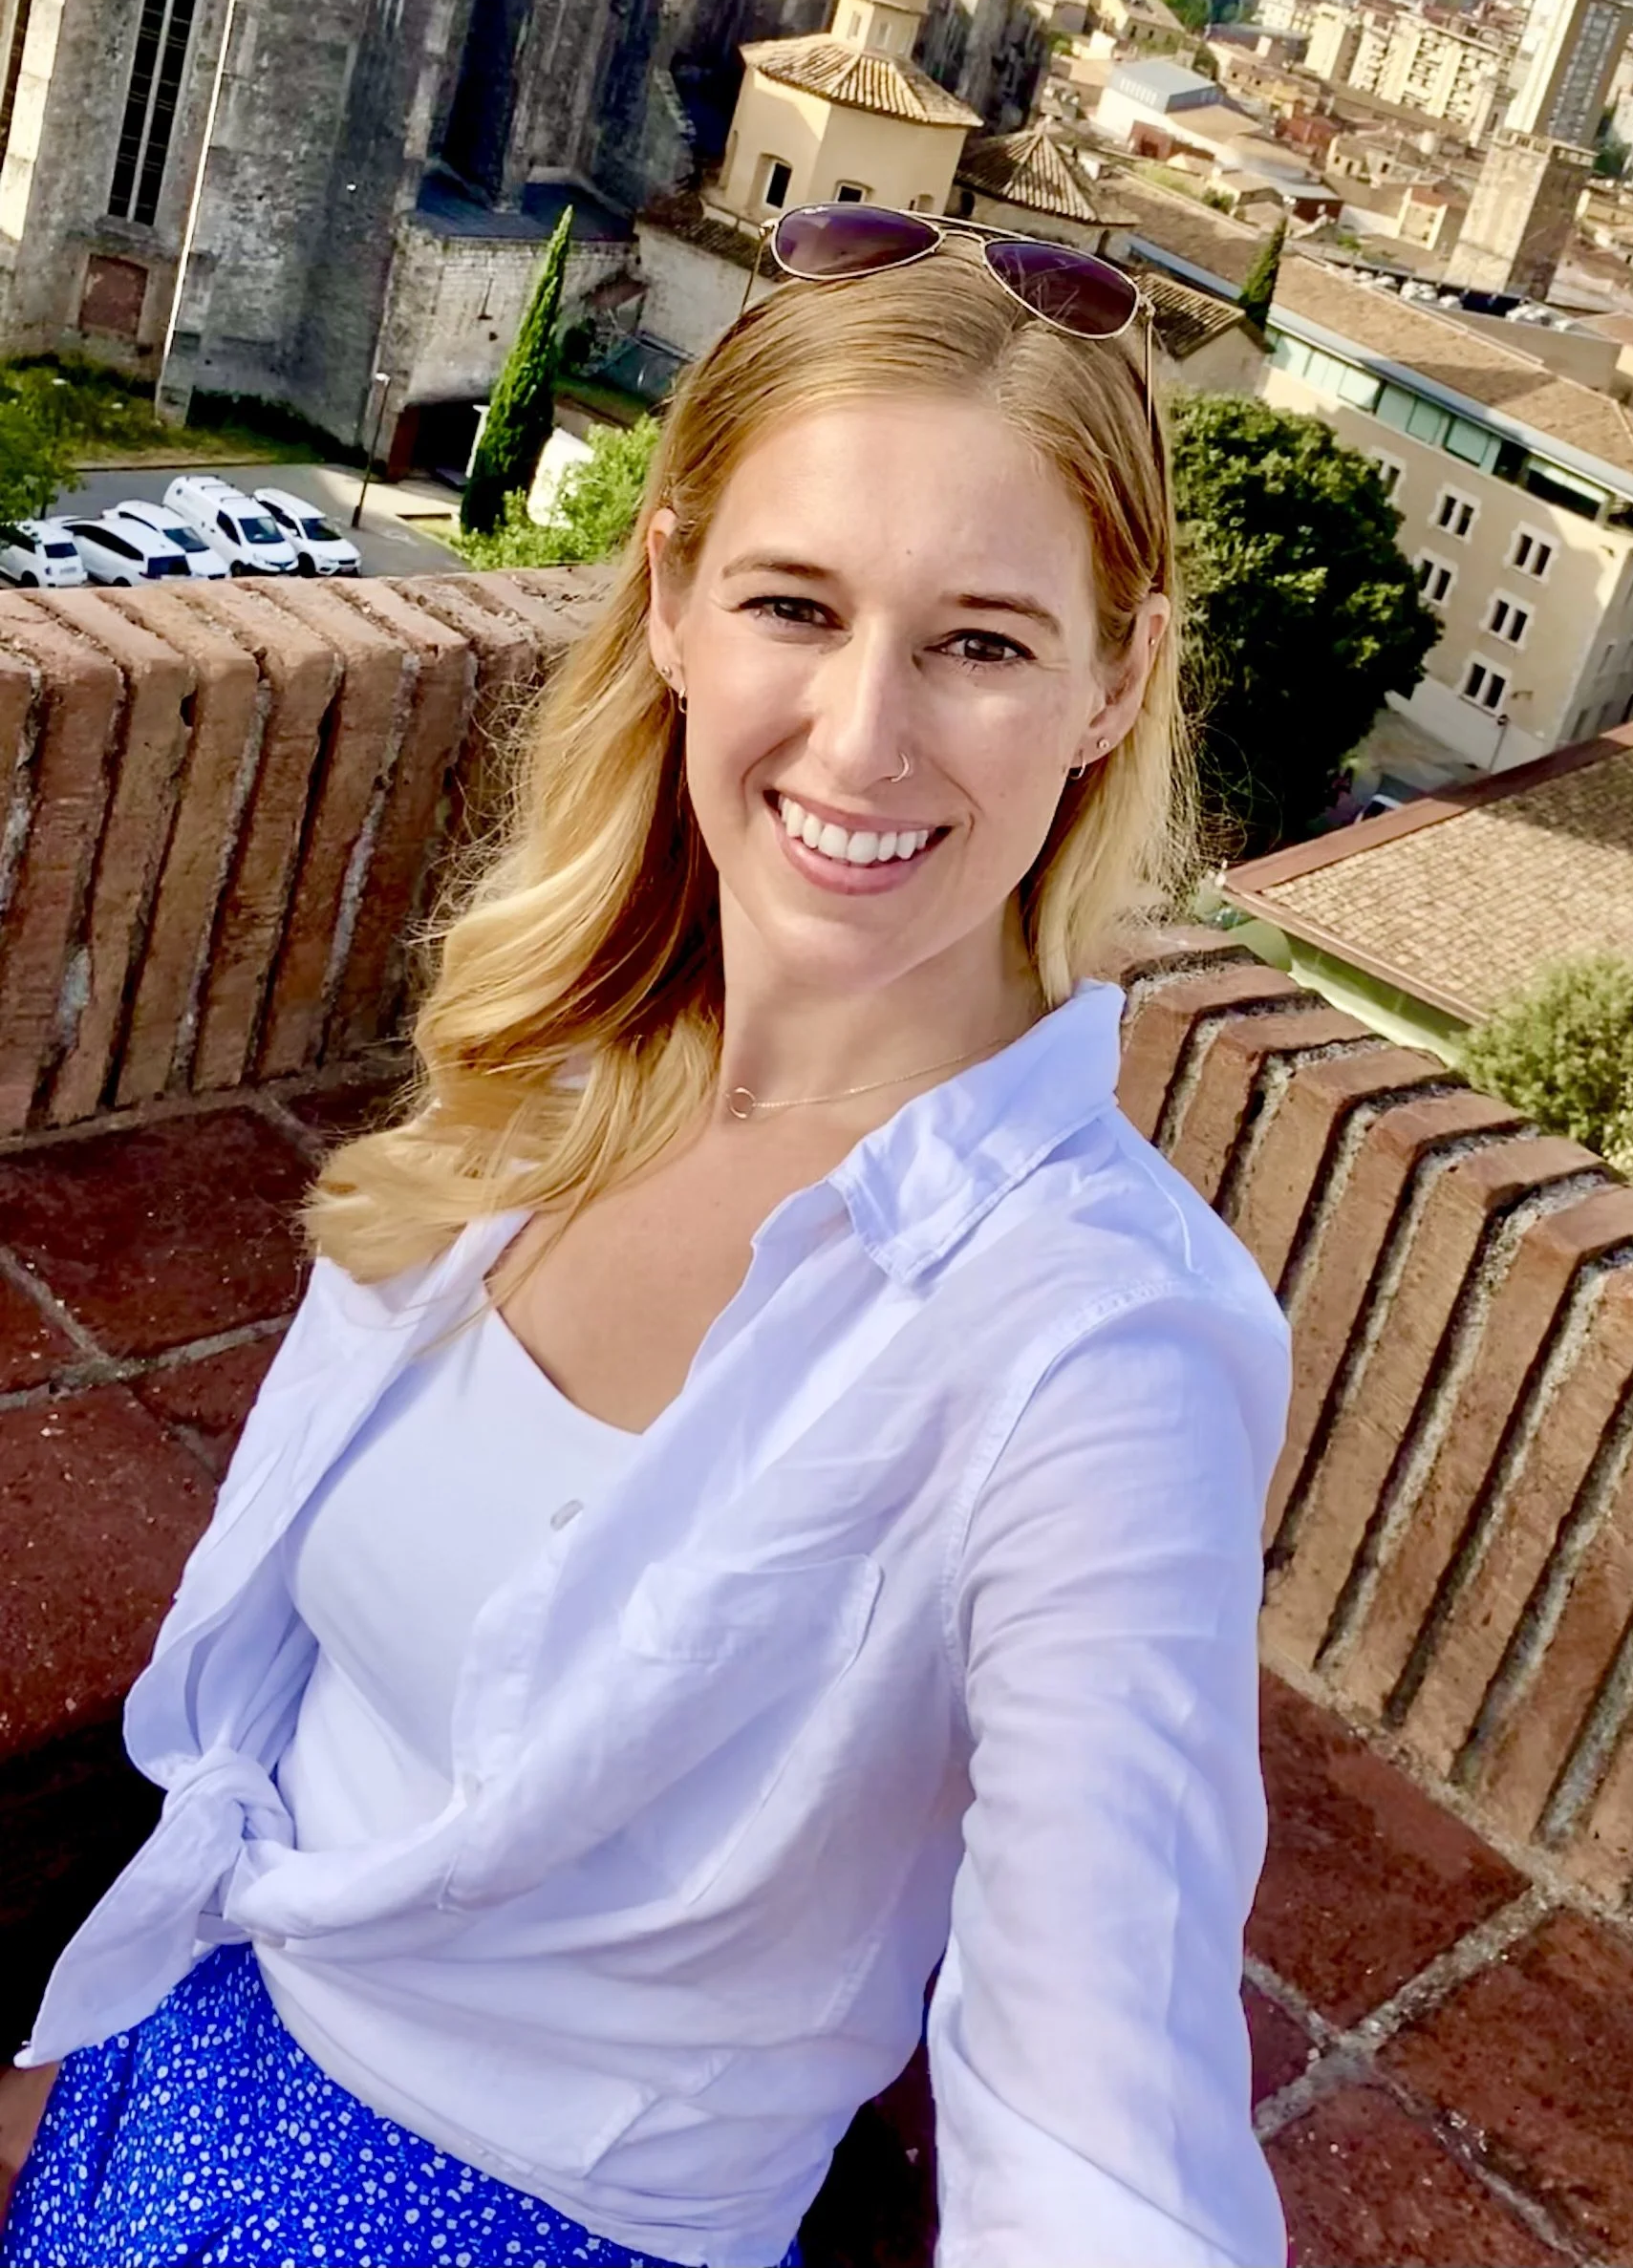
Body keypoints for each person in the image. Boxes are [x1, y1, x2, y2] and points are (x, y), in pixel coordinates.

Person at [1, 209, 1292, 2268]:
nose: (863, 742)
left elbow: (1098, 2117)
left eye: (980, 642)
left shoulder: (1099, 1350)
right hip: (169, 2080)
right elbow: (307, 1708)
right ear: (677, 597)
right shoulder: (560, 1061)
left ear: (1116, 683)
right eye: (798, 603)